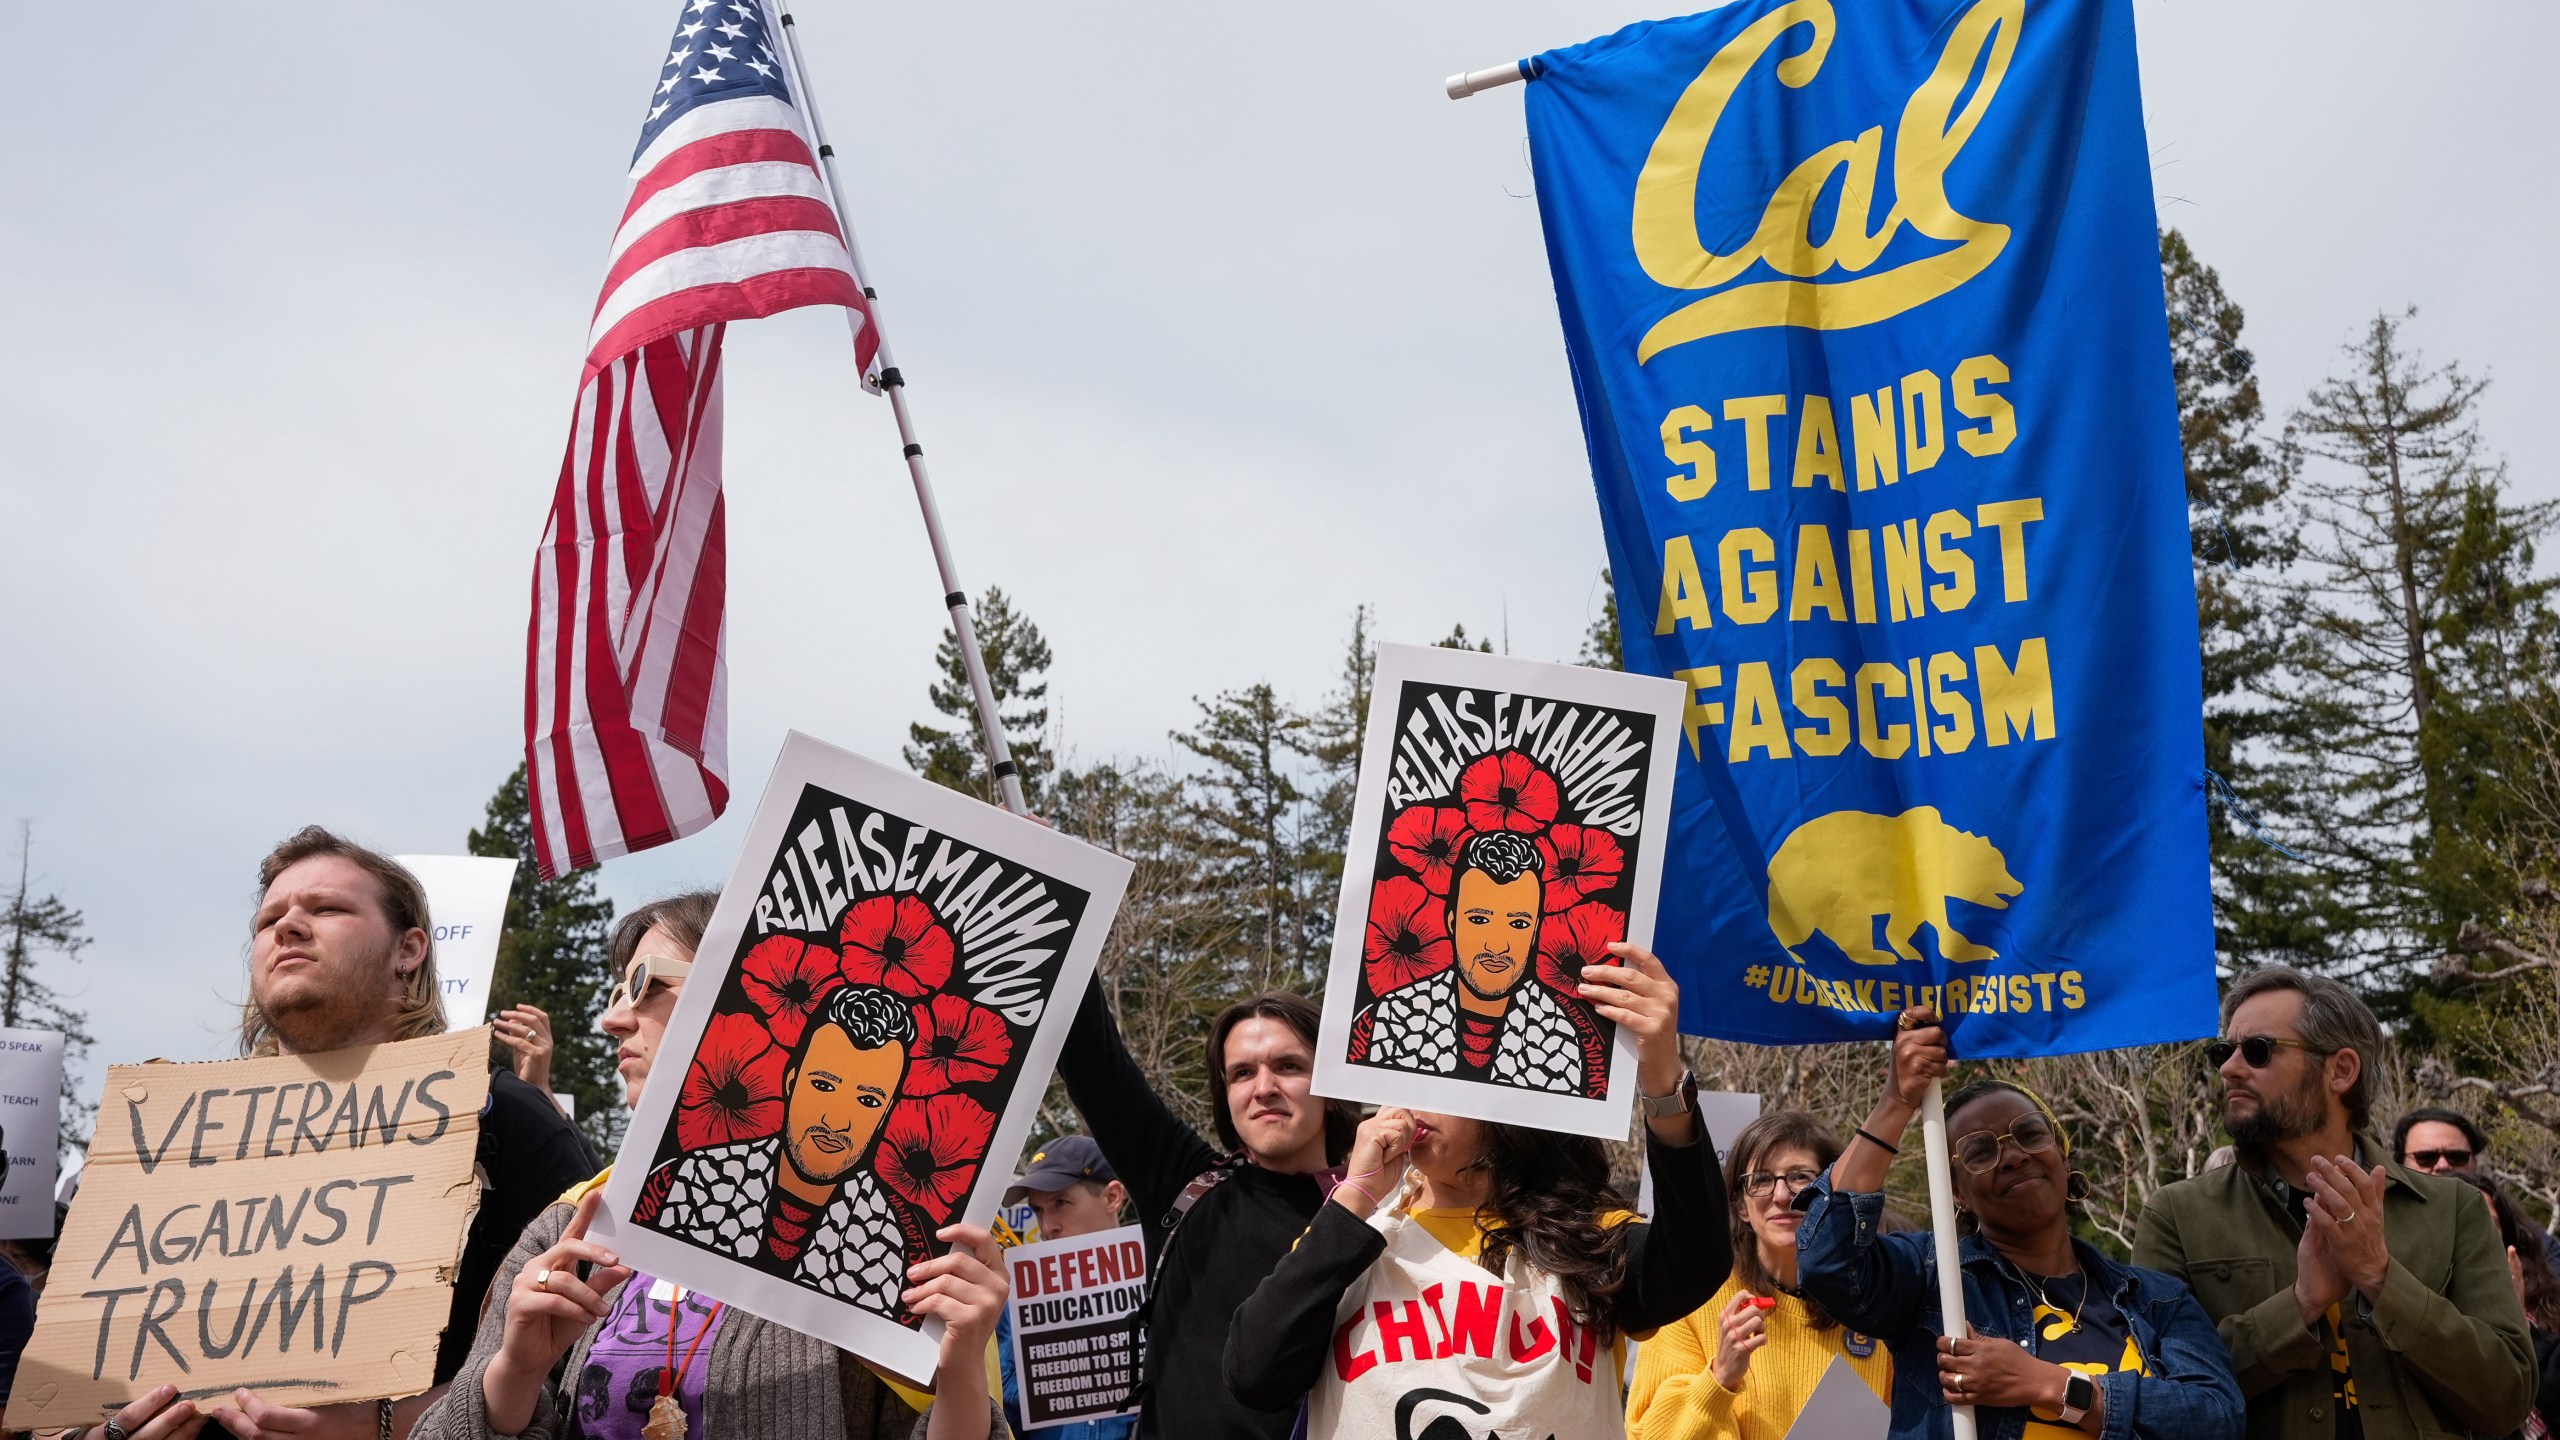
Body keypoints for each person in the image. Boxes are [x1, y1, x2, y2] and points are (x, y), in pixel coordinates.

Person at [413, 890, 1010, 1440]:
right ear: (797, 1074)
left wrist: (960, 1377)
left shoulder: (898, 1256)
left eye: (645, 986)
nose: (614, 1020)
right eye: (617, 991)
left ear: (730, 1003)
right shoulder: (575, 1225)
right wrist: (515, 1373)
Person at [103, 827, 601, 1440]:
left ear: (409, 949)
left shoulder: (499, 1115)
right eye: (268, 921)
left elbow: (580, 1351)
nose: (286, 927)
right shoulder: (176, 1144)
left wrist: (382, 1425)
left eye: (327, 909)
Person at [1222, 943, 1728, 1437]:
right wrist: (1355, 1196)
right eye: (1399, 1070)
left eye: (1435, 1070)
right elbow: (1253, 1374)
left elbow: (1697, 1261)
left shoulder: (1588, 1239)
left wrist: (1663, 1079)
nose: (1408, 1098)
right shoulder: (1348, 1236)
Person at [1798, 1006, 2244, 1440]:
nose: (2012, 1156)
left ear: (2063, 1154)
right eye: (1980, 1151)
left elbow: (2217, 1419)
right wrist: (1897, 1102)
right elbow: (1826, 1261)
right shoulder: (1933, 1279)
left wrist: (2047, 1384)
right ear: (1956, 1191)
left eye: (2030, 1135)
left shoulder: (2157, 1300)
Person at [2133, 965, 2534, 1439]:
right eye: (2225, 1051)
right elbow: (2157, 1398)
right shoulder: (2176, 1215)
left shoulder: (2454, 1209)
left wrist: (2380, 1279)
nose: (2229, 1068)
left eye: (2258, 1051)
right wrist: (2300, 1305)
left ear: (2341, 1070)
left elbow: (2506, 1400)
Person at [1054, 980, 1358, 1440]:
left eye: (1288, 1066)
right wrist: (1071, 912)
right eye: (1241, 1073)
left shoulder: (1375, 1221)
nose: (1263, 1088)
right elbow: (1089, 1051)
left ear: (1331, 1087)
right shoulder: (1185, 1183)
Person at [635, 983, 928, 1313]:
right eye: (823, 1085)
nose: (836, 1120)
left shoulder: (885, 1242)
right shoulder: (695, 1180)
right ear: (791, 1082)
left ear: (884, 1116)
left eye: (868, 1100)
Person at [1628, 1110, 1892, 1440]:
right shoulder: (1693, 1298)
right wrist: (1720, 1377)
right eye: (1761, 1181)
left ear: (1829, 1195)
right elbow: (1646, 1433)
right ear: (1741, 1208)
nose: (1782, 1196)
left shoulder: (1871, 1305)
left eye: (1799, 1177)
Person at [1346, 831, 1610, 1096]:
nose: (1496, 946)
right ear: (1452, 922)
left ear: (1535, 933)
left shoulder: (1560, 1038)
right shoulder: (1393, 1017)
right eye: (1479, 920)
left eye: (1518, 924)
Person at [993, 1136, 1134, 1440]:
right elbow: (1004, 1405)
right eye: (1038, 1211)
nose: (1047, 1227)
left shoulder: (1163, 1281)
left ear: (1111, 1197)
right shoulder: (1014, 1298)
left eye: (1060, 1203)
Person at [2394, 1106, 2560, 1274]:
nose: (2443, 1165)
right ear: (2399, 1164)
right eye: (2426, 1157)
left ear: (2474, 1162)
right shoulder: (2382, 1229)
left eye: (2457, 1157)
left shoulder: (2529, 1241)